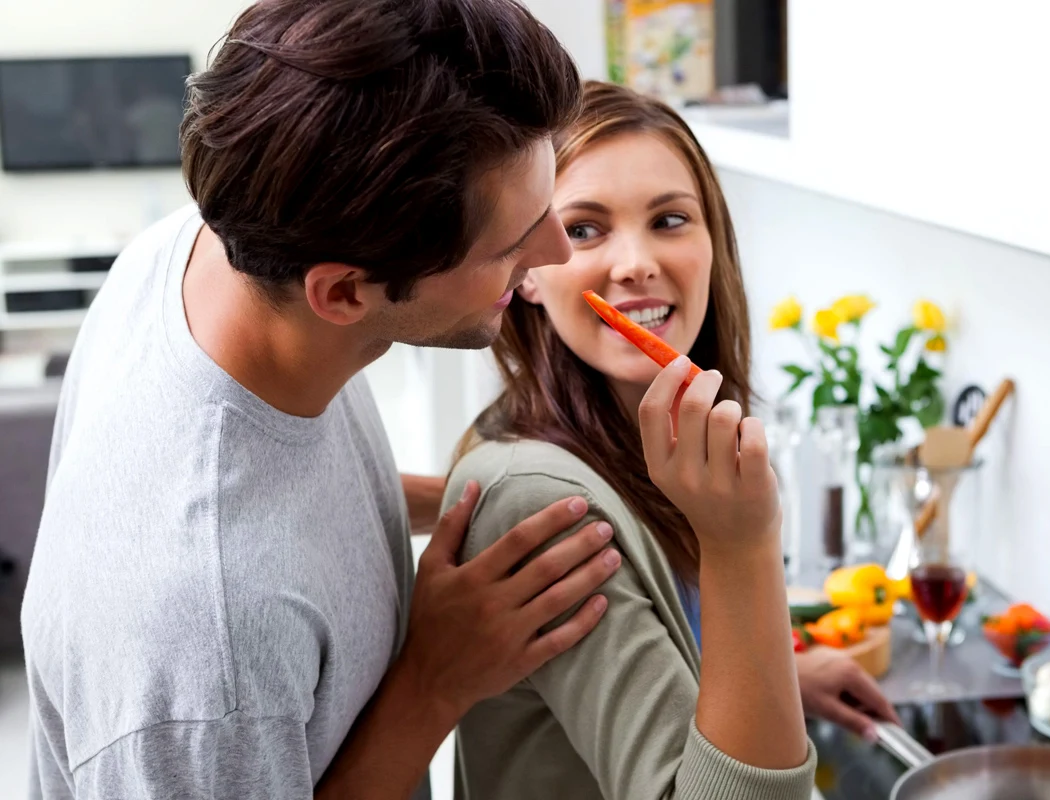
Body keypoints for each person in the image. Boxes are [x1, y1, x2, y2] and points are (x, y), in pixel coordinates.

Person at [21, 2, 623, 798]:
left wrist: (489, 503)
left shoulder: (201, 249)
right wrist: (433, 682)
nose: (554, 250)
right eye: (513, 242)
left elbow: (293, 496)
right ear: (342, 293)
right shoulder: (207, 654)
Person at [447, 81, 899, 799]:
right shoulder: (541, 498)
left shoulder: (644, 451)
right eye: (586, 229)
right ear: (527, 273)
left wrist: (781, 678)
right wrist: (742, 545)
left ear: (711, 242)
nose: (635, 263)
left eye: (669, 219)